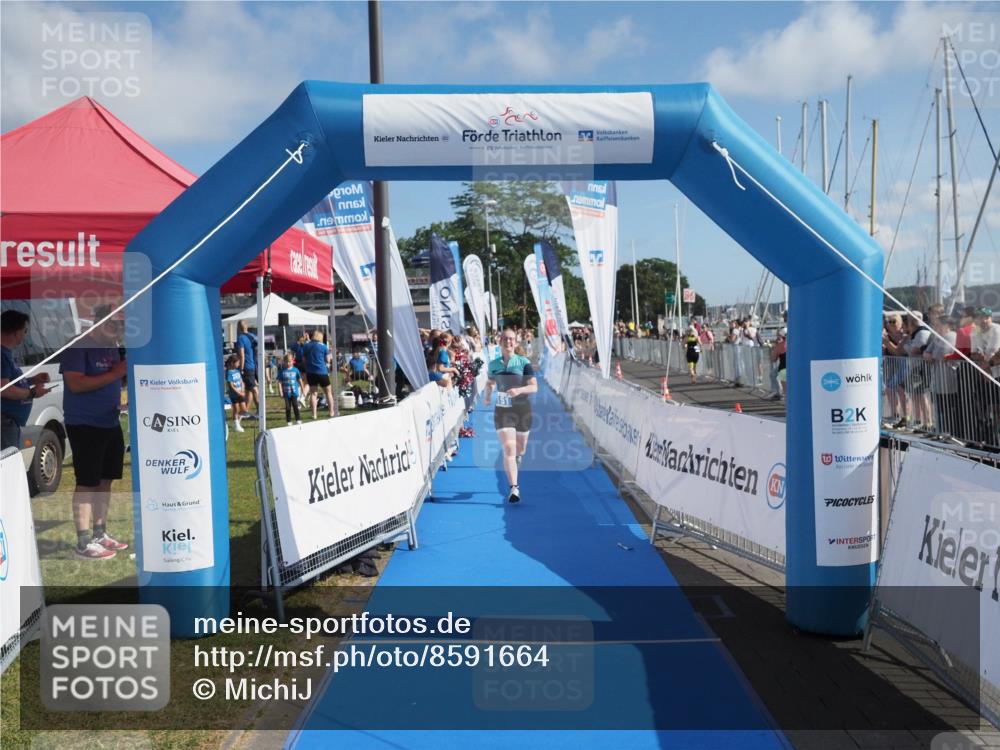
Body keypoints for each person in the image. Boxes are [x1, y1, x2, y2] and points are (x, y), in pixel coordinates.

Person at [60, 306, 129, 560]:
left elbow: (113, 380)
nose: (118, 330)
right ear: (98, 322)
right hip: (85, 424)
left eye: (121, 325)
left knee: (106, 480)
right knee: (87, 482)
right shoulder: (78, 345)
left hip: (109, 420)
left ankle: (100, 534)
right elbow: (76, 384)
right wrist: (116, 373)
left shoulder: (113, 346)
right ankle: (83, 541)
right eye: (113, 324)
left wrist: (121, 387)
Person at [483, 328, 538, 504]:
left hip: (522, 410)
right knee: (509, 449)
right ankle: (514, 487)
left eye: (511, 339)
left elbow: (534, 387)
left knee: (520, 450)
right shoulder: (493, 364)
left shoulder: (523, 362)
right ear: (500, 342)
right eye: (505, 339)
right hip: (502, 410)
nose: (508, 342)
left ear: (515, 342)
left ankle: (517, 459)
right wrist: (487, 395)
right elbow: (491, 381)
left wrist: (519, 390)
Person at [1, 310, 53, 451]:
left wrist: (32, 380)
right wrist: (32, 393)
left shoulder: (6, 353)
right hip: (4, 422)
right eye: (25, 331)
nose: (25, 335)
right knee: (8, 466)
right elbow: (4, 389)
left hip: (9, 422)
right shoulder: (2, 355)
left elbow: (10, 383)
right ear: (16, 331)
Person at [303, 330, 334, 420]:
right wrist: (330, 354)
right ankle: (331, 412)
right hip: (322, 372)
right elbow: (328, 360)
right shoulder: (324, 347)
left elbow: (304, 360)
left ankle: (314, 414)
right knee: (328, 393)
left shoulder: (306, 346)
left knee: (313, 394)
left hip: (310, 373)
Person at [236, 321, 258, 414]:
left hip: (247, 366)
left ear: (238, 328)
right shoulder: (253, 336)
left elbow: (241, 355)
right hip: (254, 365)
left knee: (253, 388)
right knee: (248, 389)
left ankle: (260, 410)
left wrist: (241, 368)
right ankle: (245, 411)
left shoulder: (241, 338)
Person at [278, 353, 304, 426]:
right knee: (288, 407)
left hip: (294, 392)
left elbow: (300, 380)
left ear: (293, 361)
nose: (288, 363)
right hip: (286, 393)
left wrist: (302, 388)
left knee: (295, 406)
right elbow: (279, 382)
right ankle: (289, 421)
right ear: (284, 362)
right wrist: (280, 391)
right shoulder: (282, 371)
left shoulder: (296, 370)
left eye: (289, 361)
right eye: (286, 361)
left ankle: (298, 419)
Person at [225, 354, 248, 432]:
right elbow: (231, 385)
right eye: (237, 363)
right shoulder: (229, 372)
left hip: (240, 393)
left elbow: (241, 381)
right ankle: (237, 425)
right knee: (236, 410)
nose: (239, 364)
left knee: (244, 410)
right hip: (234, 394)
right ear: (232, 363)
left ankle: (237, 422)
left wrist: (242, 390)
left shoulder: (237, 371)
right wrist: (238, 392)